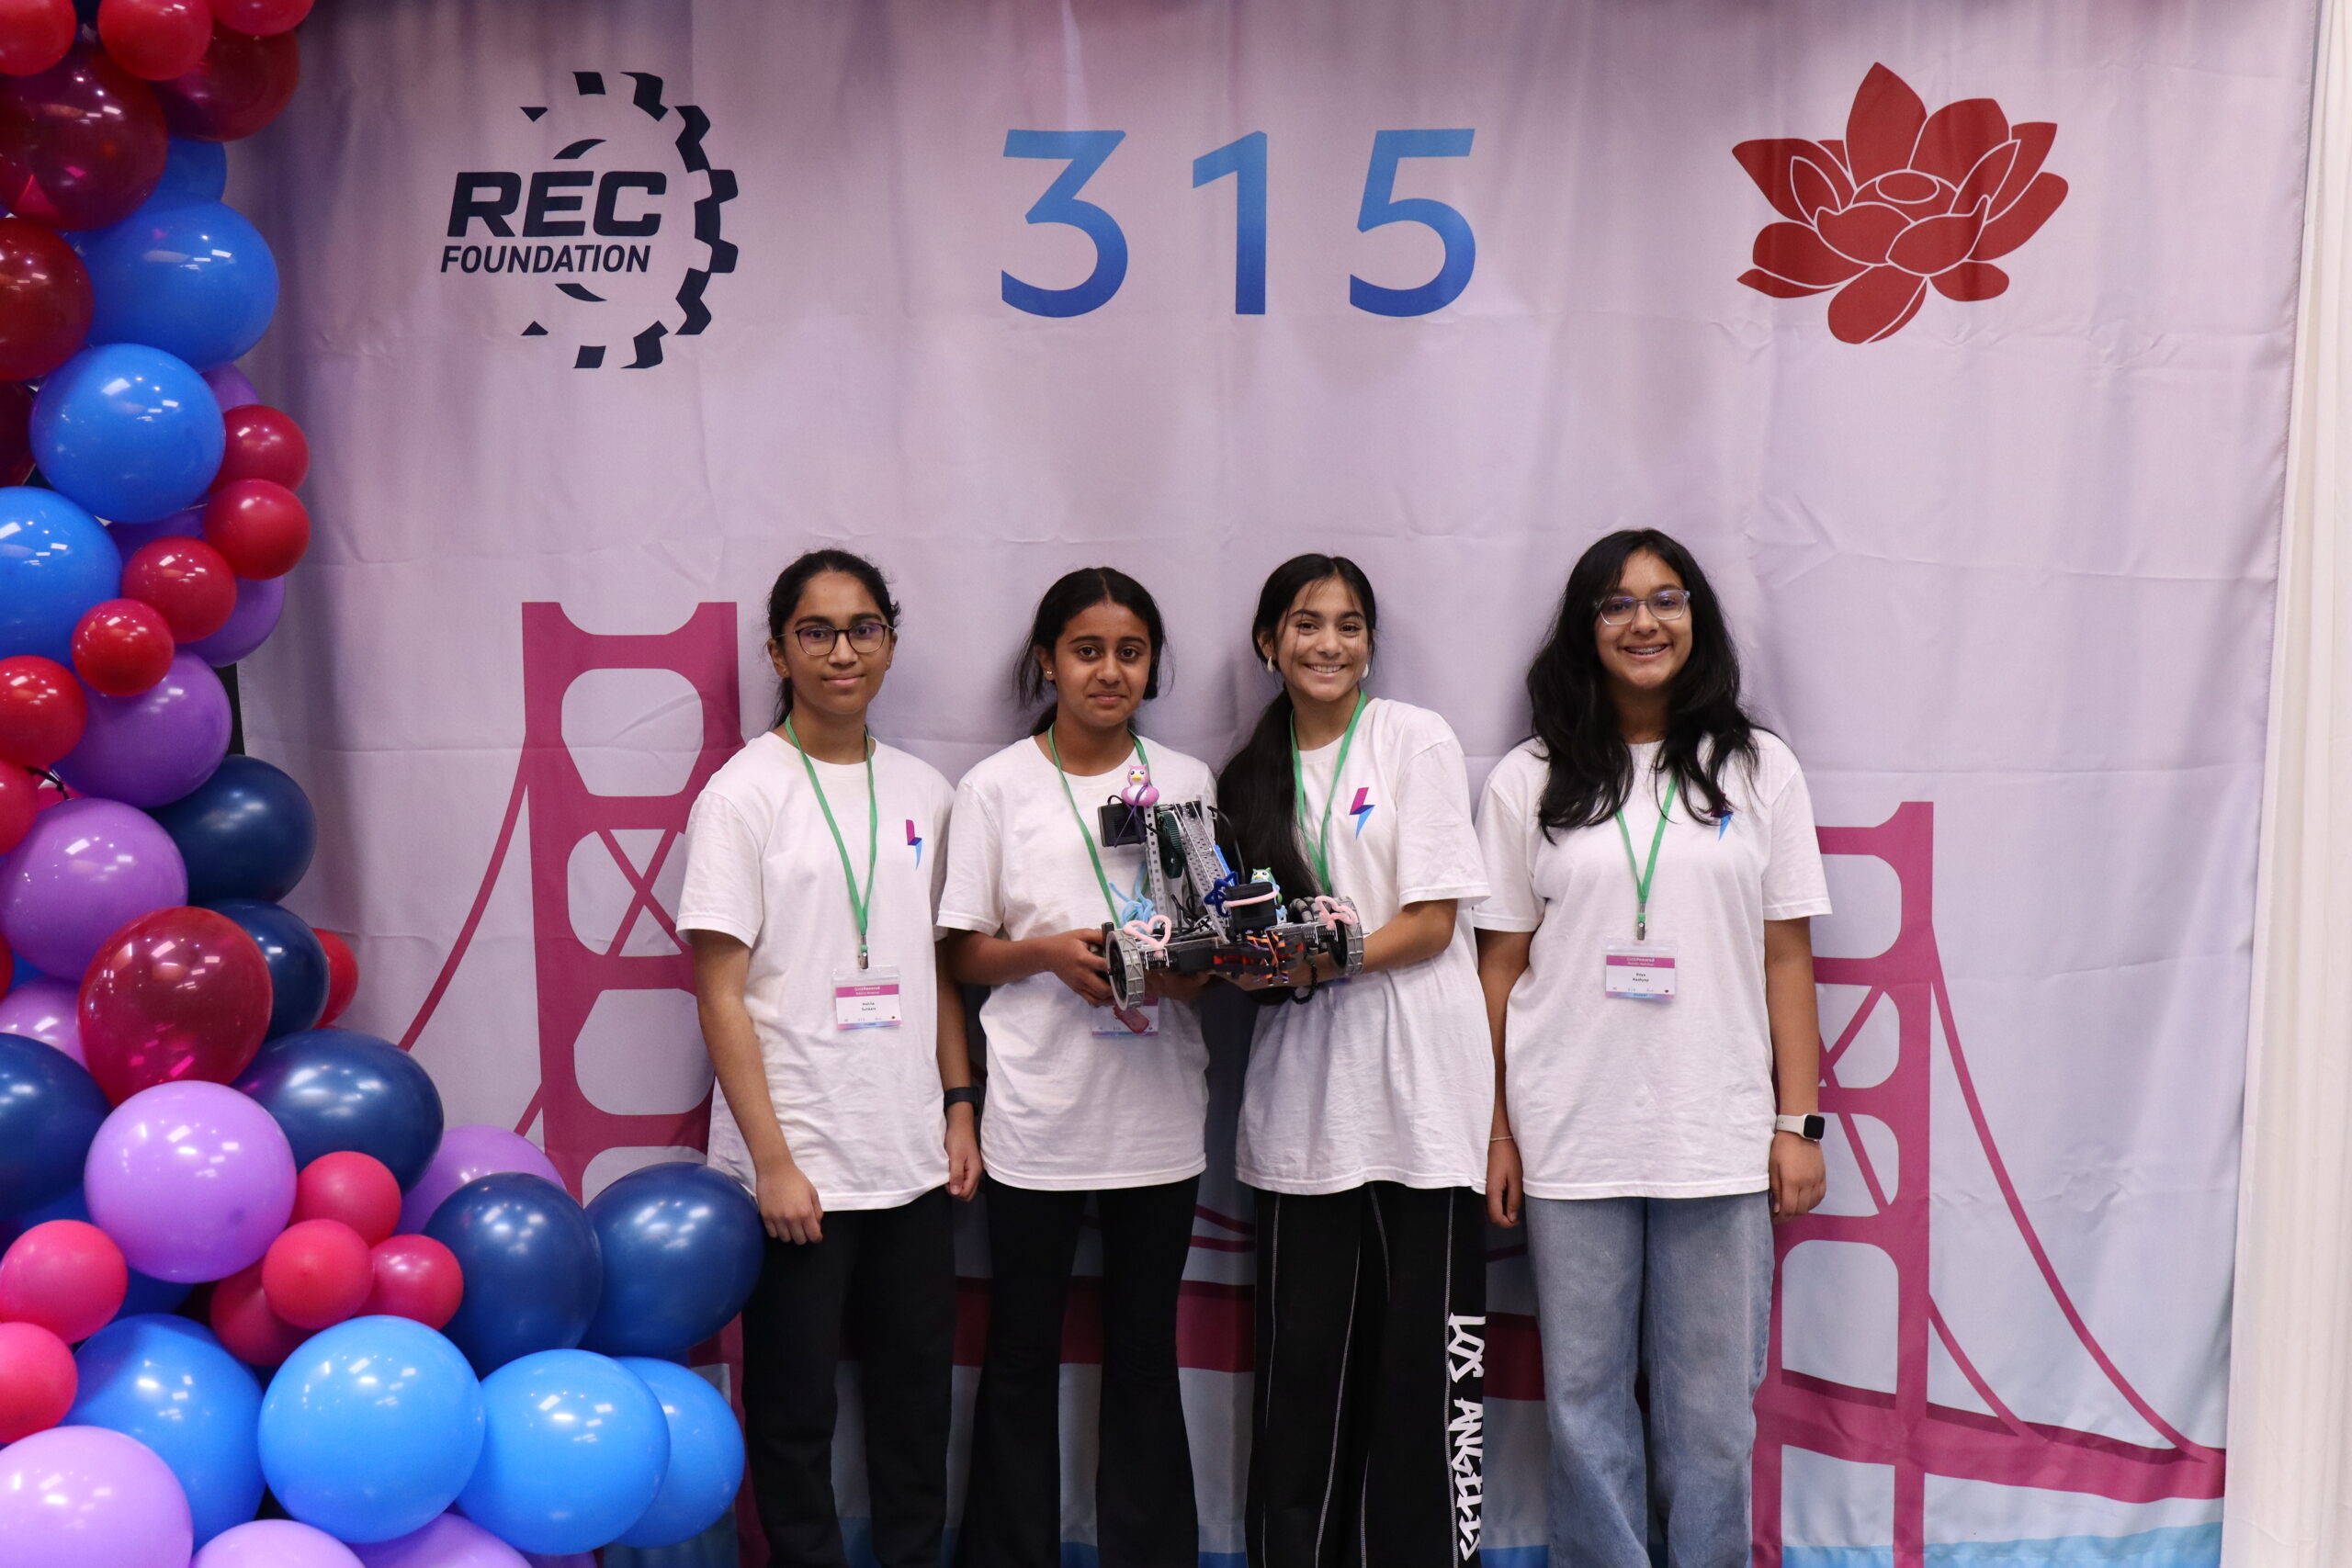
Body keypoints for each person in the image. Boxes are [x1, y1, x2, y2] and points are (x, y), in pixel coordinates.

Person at [1472, 529, 1829, 1568]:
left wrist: (1798, 1124)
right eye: (1617, 603)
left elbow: (1786, 956)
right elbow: (1497, 969)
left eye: (1667, 599)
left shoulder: (1757, 768)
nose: (1644, 622)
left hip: (1717, 1133)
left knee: (1713, 1414)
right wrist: (1495, 1129)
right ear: (1585, 629)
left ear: (1696, 620)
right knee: (1583, 1405)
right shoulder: (1528, 779)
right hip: (1569, 1132)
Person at [678, 548, 981, 1568]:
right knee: (795, 1411)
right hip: (796, 1163)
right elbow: (719, 992)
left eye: (863, 629)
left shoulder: (925, 791)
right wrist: (771, 1161)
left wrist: (958, 1104)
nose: (842, 652)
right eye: (816, 632)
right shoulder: (742, 794)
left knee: (915, 1408)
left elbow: (937, 969)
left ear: (889, 643)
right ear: (778, 652)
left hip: (909, 1160)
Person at [1217, 553, 1496, 1568]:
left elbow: (1430, 923)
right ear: (1268, 642)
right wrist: (1242, 964)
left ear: (1371, 643)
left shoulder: (1414, 738)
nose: (1327, 643)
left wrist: (1318, 958)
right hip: (1304, 1118)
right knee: (1303, 1389)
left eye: (1347, 624)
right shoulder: (1245, 780)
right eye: (1305, 623)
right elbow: (1240, 953)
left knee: (1427, 1380)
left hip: (1425, 1107)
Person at [941, 566, 1214, 1568]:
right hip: (1036, 1114)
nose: (1109, 671)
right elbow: (962, 952)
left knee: (1144, 1355)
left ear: (1152, 665)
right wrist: (1048, 955)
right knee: (1021, 1351)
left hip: (1156, 1114)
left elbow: (1208, 952)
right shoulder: (996, 786)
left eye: (1129, 652)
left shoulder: (1184, 782)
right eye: (1087, 651)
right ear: (1047, 661)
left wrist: (1180, 970)